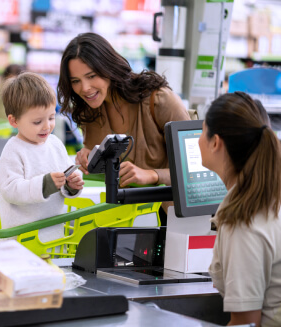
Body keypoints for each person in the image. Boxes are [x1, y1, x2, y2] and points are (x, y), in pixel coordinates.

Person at [57, 32, 190, 224]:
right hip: (123, 218)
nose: (84, 88)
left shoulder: (159, 100)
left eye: (91, 76)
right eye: (75, 81)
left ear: (108, 68)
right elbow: (106, 170)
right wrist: (89, 158)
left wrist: (153, 175)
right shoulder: (89, 111)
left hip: (170, 219)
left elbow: (196, 170)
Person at [198, 91, 281, 327]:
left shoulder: (244, 221)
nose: (198, 140)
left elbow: (246, 323)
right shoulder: (269, 197)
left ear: (216, 142)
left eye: (202, 131)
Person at [0, 72, 84, 242]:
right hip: (21, 242)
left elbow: (66, 181)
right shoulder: (13, 150)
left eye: (51, 117)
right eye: (37, 122)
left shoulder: (55, 144)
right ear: (14, 121)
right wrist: (45, 185)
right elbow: (10, 190)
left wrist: (72, 185)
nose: (47, 126)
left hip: (54, 236)